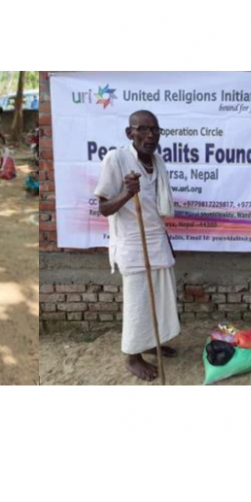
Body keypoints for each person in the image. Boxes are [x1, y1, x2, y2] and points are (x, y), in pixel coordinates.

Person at [94, 110, 180, 382]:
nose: (150, 135)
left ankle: (156, 339)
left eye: (155, 130)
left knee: (161, 298)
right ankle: (133, 356)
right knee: (139, 302)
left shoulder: (158, 161)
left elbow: (158, 207)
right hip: (133, 243)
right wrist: (127, 193)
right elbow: (103, 208)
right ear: (129, 133)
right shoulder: (116, 159)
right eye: (142, 129)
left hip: (156, 238)